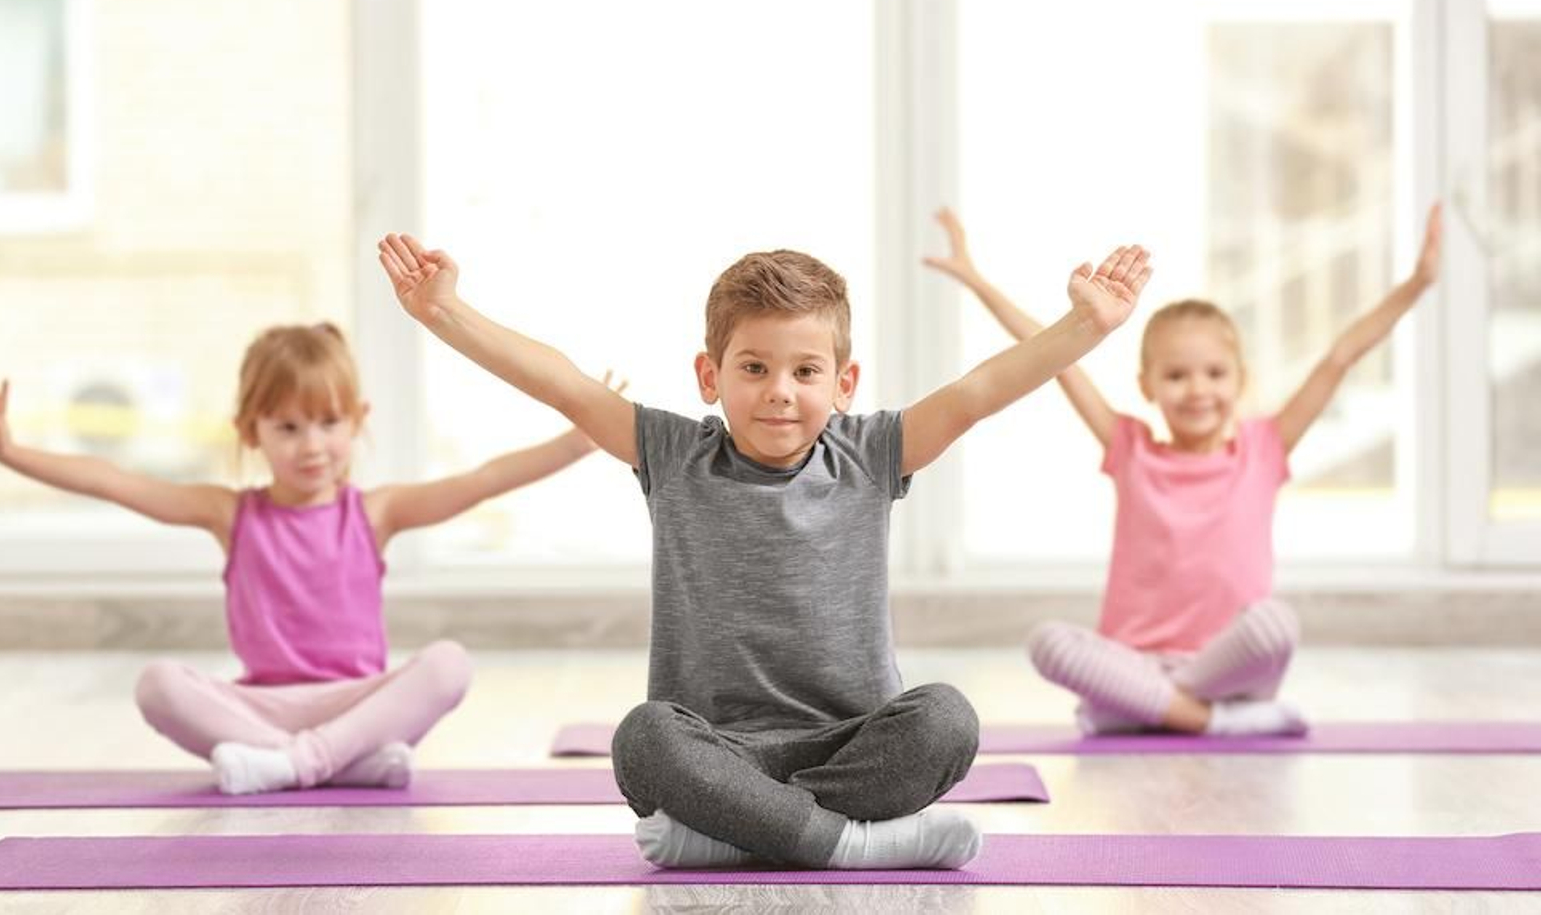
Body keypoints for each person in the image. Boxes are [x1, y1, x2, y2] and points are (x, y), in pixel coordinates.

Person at [379, 232, 1151, 868]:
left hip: (853, 745)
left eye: (805, 370)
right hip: (716, 750)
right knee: (644, 739)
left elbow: (982, 391)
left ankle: (739, 832)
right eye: (754, 367)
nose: (780, 389)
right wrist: (446, 311)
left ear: (843, 381)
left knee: (946, 719)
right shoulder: (674, 453)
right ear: (709, 375)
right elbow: (566, 388)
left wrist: (1086, 327)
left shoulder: (873, 451)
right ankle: (846, 844)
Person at [0, 322, 615, 793]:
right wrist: (11, 453)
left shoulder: (375, 511)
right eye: (288, 427)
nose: (313, 445)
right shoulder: (230, 513)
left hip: (363, 705)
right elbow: (115, 481)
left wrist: (575, 441)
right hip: (261, 710)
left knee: (449, 663)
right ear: (251, 432)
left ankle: (294, 763)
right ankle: (335, 763)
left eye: (329, 423)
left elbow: (484, 478)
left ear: (356, 420)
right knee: (156, 682)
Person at [925, 204, 1442, 737]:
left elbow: (1339, 357)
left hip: (1228, 667)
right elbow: (1055, 359)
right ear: (1147, 385)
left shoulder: (1263, 449)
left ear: (1239, 379)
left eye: (1214, 373)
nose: (1198, 389)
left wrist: (1418, 283)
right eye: (1176, 375)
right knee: (1049, 643)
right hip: (1136, 663)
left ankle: (1147, 710)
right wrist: (976, 279)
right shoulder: (1130, 448)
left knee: (1276, 625)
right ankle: (1211, 721)